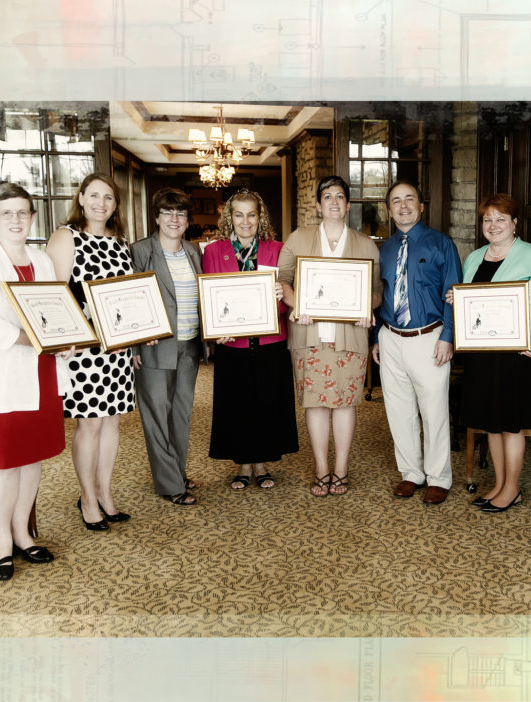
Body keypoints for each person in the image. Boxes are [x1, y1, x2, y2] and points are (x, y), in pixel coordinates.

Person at [0, 183, 70, 580]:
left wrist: (63, 338)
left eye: (23, 212)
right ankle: (1, 540)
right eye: (7, 213)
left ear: (33, 217)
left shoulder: (41, 260)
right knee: (4, 462)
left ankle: (24, 533)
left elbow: (55, 308)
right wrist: (39, 341)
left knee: (32, 455)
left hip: (39, 370)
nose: (16, 219)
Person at [449, 194, 531, 512]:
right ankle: (498, 483)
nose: (493, 225)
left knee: (511, 424)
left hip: (516, 355)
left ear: (514, 224)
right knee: (490, 421)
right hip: (482, 354)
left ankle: (512, 488)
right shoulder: (474, 258)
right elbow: (469, 300)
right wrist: (456, 300)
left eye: (500, 219)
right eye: (487, 219)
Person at [278, 175, 382, 497]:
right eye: (327, 196)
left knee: (345, 404)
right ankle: (322, 469)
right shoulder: (299, 238)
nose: (334, 202)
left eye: (340, 196)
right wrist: (299, 303)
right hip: (310, 334)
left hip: (349, 336)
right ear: (318, 205)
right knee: (316, 404)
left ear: (348, 205)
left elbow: (376, 290)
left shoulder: (366, 244)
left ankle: (341, 470)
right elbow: (282, 280)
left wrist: (368, 306)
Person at [46, 173, 135, 529]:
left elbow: (127, 296)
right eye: (94, 195)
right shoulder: (67, 237)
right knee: (91, 425)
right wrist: (65, 338)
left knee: (112, 423)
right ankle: (87, 498)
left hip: (117, 347)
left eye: (109, 197)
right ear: (81, 198)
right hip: (83, 347)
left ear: (115, 205)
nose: (101, 203)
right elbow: (54, 296)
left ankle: (105, 493)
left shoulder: (121, 242)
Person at [372, 181, 462, 504]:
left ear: (421, 206)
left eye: (410, 199)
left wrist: (448, 337)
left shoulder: (441, 244)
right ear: (389, 209)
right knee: (399, 410)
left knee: (434, 409)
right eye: (396, 201)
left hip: (430, 337)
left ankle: (439, 477)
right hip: (391, 337)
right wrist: (377, 337)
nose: (404, 205)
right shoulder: (384, 249)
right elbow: (379, 295)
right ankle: (411, 472)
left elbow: (454, 293)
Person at [202, 190, 298, 489]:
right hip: (233, 343)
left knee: (268, 402)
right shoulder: (214, 252)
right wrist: (217, 327)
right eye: (239, 214)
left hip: (271, 341)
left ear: (261, 217)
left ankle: (262, 464)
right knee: (238, 403)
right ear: (229, 218)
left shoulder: (277, 249)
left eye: (252, 214)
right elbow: (209, 299)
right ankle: (243, 465)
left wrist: (282, 297)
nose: (246, 221)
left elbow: (287, 299)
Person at [129, 188, 204, 506]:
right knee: (157, 415)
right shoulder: (140, 251)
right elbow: (130, 298)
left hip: (189, 345)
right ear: (157, 217)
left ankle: (177, 471)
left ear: (187, 220)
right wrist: (132, 346)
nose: (174, 219)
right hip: (155, 347)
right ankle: (170, 484)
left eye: (181, 214)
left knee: (181, 414)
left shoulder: (193, 252)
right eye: (168, 213)